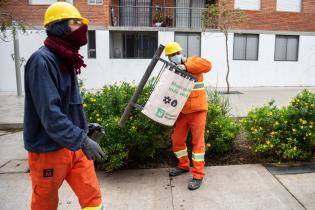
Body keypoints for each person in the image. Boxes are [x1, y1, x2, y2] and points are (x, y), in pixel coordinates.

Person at [23, 2, 105, 210]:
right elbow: (50, 115)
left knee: (93, 198)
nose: (82, 28)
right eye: (75, 23)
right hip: (48, 150)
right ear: (59, 27)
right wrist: (82, 139)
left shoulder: (67, 58)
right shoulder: (42, 61)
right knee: (45, 204)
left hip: (74, 146)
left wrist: (84, 127)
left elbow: (69, 105)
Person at [164, 42, 212, 190]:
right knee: (177, 141)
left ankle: (198, 176)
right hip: (182, 113)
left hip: (198, 111)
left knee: (198, 143)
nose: (173, 57)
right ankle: (183, 166)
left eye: (174, 54)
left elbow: (208, 65)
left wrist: (185, 67)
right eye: (170, 56)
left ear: (180, 52)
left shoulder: (194, 61)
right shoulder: (173, 70)